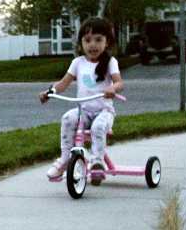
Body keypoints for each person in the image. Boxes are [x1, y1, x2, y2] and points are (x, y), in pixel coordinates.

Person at [38, 17, 124, 182]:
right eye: (87, 40)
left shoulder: (110, 62)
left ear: (107, 43)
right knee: (68, 118)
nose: (93, 45)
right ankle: (65, 159)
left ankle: (97, 162)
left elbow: (119, 82)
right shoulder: (78, 62)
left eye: (98, 40)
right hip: (83, 111)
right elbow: (63, 83)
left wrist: (112, 88)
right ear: (81, 44)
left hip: (103, 112)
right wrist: (50, 92)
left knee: (98, 127)